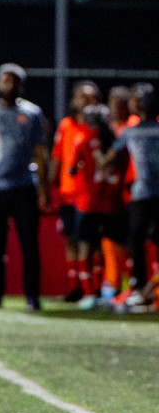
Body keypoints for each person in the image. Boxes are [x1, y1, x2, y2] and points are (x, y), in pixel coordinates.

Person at [0, 64, 48, 312]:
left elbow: (40, 152)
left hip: (24, 186)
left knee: (29, 244)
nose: (8, 85)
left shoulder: (32, 113)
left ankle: (32, 296)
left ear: (20, 85)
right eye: (4, 80)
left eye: (13, 81)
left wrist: (44, 188)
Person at [70, 104, 127, 307]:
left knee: (86, 246)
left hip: (88, 201)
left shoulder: (83, 138)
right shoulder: (117, 141)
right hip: (112, 201)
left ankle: (89, 293)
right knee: (107, 249)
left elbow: (71, 169)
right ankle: (110, 290)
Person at [108, 84, 159, 307]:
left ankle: (145, 288)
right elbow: (112, 156)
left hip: (143, 194)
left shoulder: (133, 131)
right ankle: (142, 288)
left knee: (138, 240)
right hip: (142, 193)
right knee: (138, 241)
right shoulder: (131, 130)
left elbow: (108, 157)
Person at [51, 80, 102, 301]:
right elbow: (57, 157)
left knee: (94, 242)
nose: (85, 101)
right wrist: (48, 186)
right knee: (71, 240)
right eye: (82, 96)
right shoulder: (66, 125)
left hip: (93, 195)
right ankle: (76, 288)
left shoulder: (100, 128)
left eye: (90, 97)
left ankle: (96, 288)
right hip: (69, 193)